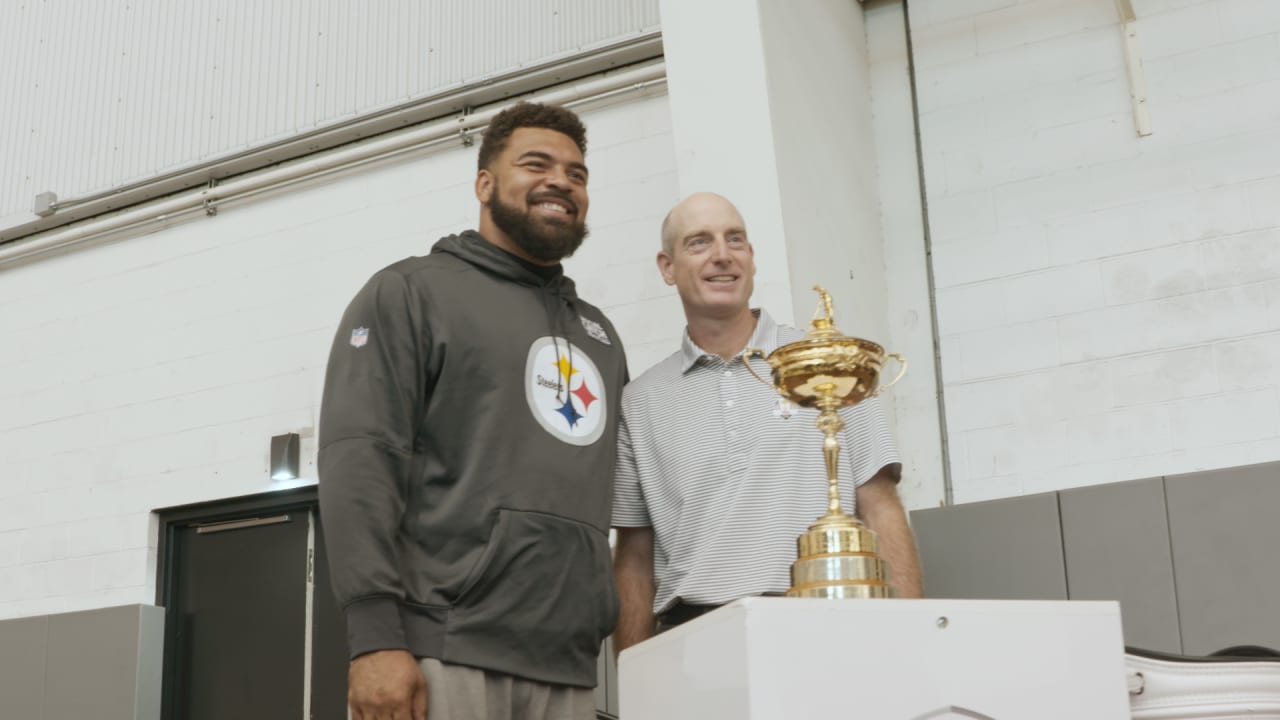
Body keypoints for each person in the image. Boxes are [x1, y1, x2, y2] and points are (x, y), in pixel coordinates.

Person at [318, 102, 627, 720]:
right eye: (536, 164)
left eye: (577, 173)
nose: (560, 182)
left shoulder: (600, 335)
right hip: (441, 649)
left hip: (568, 667)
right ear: (484, 184)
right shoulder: (411, 292)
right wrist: (374, 637)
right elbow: (360, 460)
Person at [611, 192, 923, 653]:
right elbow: (635, 557)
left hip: (825, 627)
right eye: (699, 242)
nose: (722, 255)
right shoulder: (640, 401)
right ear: (667, 266)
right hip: (691, 643)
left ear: (752, 258)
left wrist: (914, 646)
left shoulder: (827, 362)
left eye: (734, 239)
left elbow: (881, 508)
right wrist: (633, 681)